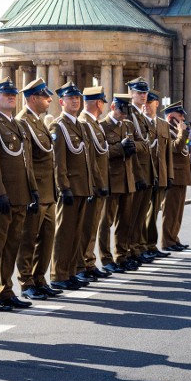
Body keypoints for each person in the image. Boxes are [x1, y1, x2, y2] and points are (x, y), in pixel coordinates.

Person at [0, 77, 38, 308]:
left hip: (19, 195)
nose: (11, 97)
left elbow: (26, 162)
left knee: (12, 245)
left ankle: (5, 289)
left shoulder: (18, 125)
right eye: (6, 94)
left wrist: (32, 189)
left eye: (13, 94)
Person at [50, 81, 98, 289]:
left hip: (82, 187)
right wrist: (63, 187)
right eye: (70, 98)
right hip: (69, 188)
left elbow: (87, 158)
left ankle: (70, 272)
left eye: (77, 98)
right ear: (61, 102)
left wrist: (90, 184)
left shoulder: (80, 125)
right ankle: (58, 274)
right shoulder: (58, 126)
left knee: (76, 233)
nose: (75, 101)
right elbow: (57, 161)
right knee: (64, 233)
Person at [15, 78, 60, 300]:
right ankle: (26, 281)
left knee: (47, 237)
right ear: (33, 98)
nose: (49, 99)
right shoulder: (22, 122)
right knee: (29, 238)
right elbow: (26, 162)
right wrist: (31, 190)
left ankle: (40, 279)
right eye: (45, 96)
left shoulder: (39, 121)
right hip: (35, 192)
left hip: (48, 191)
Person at [97, 93, 138, 273]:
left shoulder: (127, 125)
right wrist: (118, 148)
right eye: (122, 111)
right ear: (113, 107)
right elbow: (100, 153)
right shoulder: (102, 127)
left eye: (127, 111)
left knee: (125, 221)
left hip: (127, 180)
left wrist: (133, 148)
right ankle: (106, 258)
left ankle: (122, 255)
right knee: (105, 222)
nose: (124, 115)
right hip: (111, 180)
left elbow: (142, 144)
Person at [76, 86, 111, 281]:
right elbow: (90, 158)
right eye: (102, 102)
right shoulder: (85, 124)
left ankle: (88, 261)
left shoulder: (94, 124)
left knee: (92, 226)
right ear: (98, 103)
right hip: (91, 183)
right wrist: (98, 182)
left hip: (99, 183)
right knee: (85, 227)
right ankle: (80, 263)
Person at [125, 78, 155, 263]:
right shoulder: (130, 115)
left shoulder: (141, 116)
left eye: (144, 93)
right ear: (130, 93)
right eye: (139, 92)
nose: (143, 96)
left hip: (146, 170)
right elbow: (134, 145)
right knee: (132, 214)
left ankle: (137, 247)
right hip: (136, 171)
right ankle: (130, 250)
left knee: (140, 214)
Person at [141, 89, 173, 259]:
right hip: (145, 175)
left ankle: (151, 245)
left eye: (150, 103)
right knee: (142, 213)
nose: (146, 106)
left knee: (154, 213)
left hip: (159, 174)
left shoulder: (162, 124)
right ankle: (141, 246)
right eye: (145, 103)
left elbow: (167, 152)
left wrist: (169, 176)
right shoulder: (138, 123)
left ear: (157, 104)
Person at [161, 101, 191, 251]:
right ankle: (167, 241)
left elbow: (183, 147)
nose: (182, 117)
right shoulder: (165, 129)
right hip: (173, 175)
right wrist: (182, 132)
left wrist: (182, 132)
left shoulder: (175, 129)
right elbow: (175, 148)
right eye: (179, 114)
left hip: (181, 175)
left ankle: (174, 238)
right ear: (170, 116)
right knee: (170, 211)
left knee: (178, 211)